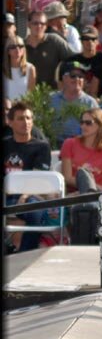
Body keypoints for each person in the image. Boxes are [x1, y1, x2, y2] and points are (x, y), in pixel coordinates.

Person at [3, 102, 51, 252]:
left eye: (29, 118)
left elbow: (38, 178)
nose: (26, 122)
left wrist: (24, 196)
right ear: (10, 122)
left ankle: (25, 254)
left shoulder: (42, 146)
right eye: (21, 118)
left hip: (28, 196)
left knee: (35, 211)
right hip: (6, 195)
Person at [50, 61, 99, 147]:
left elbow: (99, 129)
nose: (77, 79)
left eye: (80, 76)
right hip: (55, 146)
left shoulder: (91, 103)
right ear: (64, 78)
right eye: (73, 76)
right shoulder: (51, 100)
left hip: (82, 146)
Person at [24, 10, 73, 89]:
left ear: (46, 26)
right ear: (28, 24)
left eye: (42, 24)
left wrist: (64, 81)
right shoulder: (21, 46)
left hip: (52, 94)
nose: (39, 26)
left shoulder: (54, 40)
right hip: (27, 94)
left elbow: (72, 60)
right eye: (35, 23)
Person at [66, 25, 102, 96]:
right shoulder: (71, 60)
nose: (89, 42)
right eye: (86, 39)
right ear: (81, 41)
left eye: (93, 39)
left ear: (98, 41)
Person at [3, 35, 36, 102]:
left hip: (22, 109)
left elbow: (31, 96)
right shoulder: (3, 69)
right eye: (13, 47)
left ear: (24, 49)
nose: (17, 49)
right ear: (8, 51)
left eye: (20, 46)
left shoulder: (30, 69)